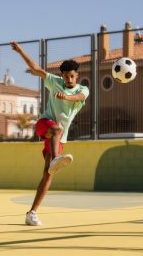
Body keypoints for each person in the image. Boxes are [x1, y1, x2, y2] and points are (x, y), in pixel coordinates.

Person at [10, 41, 89, 226]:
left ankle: (32, 213)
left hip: (58, 139)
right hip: (44, 125)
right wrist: (20, 50)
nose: (69, 79)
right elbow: (35, 68)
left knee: (48, 174)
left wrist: (66, 97)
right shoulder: (55, 82)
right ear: (62, 76)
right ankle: (55, 159)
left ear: (76, 75)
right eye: (66, 76)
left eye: (72, 76)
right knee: (57, 129)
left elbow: (79, 97)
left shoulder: (82, 89)